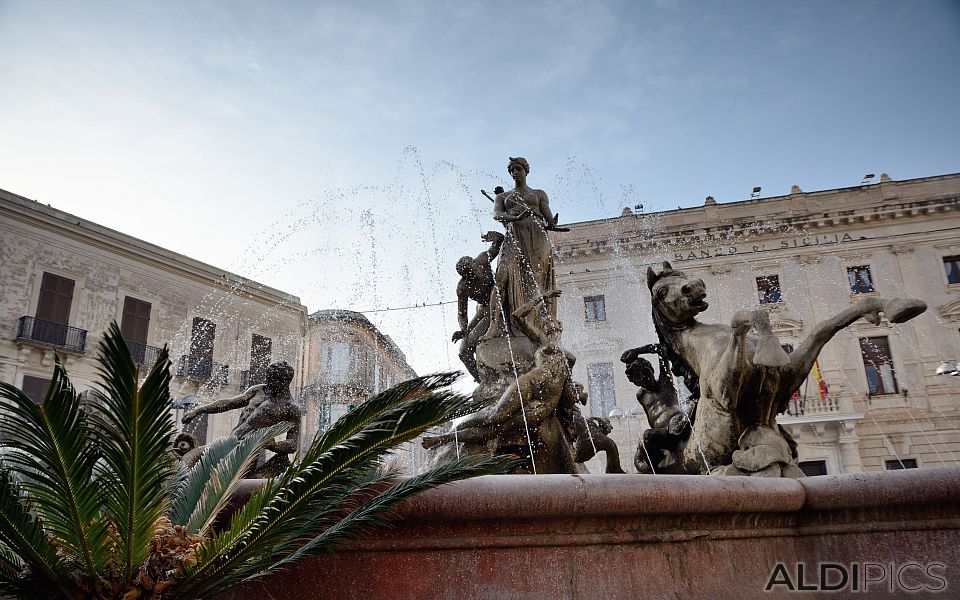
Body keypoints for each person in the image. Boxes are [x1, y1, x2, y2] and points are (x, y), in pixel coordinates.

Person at [423, 289, 567, 449]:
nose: (550, 328)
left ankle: (446, 438)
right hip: (527, 384)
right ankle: (448, 434)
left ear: (560, 330)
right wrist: (540, 298)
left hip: (542, 403)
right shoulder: (541, 340)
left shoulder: (568, 357)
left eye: (554, 326)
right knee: (493, 418)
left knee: (498, 429)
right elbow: (517, 316)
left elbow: (567, 390)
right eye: (547, 326)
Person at [483, 157, 560, 340]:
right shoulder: (502, 197)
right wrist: (516, 219)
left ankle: (534, 326)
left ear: (526, 170)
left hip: (537, 236)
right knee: (501, 278)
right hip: (514, 237)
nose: (514, 173)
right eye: (511, 170)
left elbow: (547, 213)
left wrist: (552, 223)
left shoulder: (539, 193)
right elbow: (496, 214)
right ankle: (493, 327)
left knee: (536, 281)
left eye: (518, 169)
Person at [182, 360, 301, 477]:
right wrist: (198, 410)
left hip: (246, 453)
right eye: (267, 377)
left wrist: (274, 446)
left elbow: (293, 443)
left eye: (271, 378)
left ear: (284, 382)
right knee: (187, 460)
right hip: (229, 443)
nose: (267, 381)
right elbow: (229, 403)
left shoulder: (291, 407)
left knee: (214, 479)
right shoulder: (259, 390)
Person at [452, 231, 504, 381]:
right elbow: (462, 313)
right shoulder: (463, 287)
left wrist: (493, 236)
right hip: (483, 309)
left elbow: (499, 243)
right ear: (465, 277)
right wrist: (463, 329)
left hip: (498, 304)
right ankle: (482, 381)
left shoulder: (482, 260)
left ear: (475, 263)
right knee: (463, 352)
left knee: (474, 338)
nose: (476, 274)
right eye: (471, 274)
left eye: (475, 269)